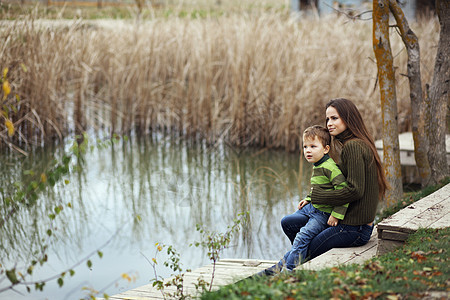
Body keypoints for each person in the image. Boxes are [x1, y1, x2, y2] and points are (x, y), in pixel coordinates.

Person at [284, 97, 388, 264]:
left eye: (334, 118)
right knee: (290, 225)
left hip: (355, 229)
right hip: (355, 223)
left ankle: (278, 272)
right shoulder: (356, 143)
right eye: (327, 119)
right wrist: (311, 198)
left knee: (304, 249)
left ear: (348, 118)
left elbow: (355, 190)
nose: (329, 124)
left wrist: (318, 197)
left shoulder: (352, 147)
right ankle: (283, 269)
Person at [259, 125, 349, 275]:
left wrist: (336, 214)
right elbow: (319, 187)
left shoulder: (330, 167)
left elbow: (344, 192)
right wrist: (308, 198)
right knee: (286, 221)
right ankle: (301, 252)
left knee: (303, 235)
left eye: (313, 146)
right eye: (305, 146)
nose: (308, 150)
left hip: (323, 213)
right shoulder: (318, 164)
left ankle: (289, 270)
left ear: (326, 149)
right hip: (313, 207)